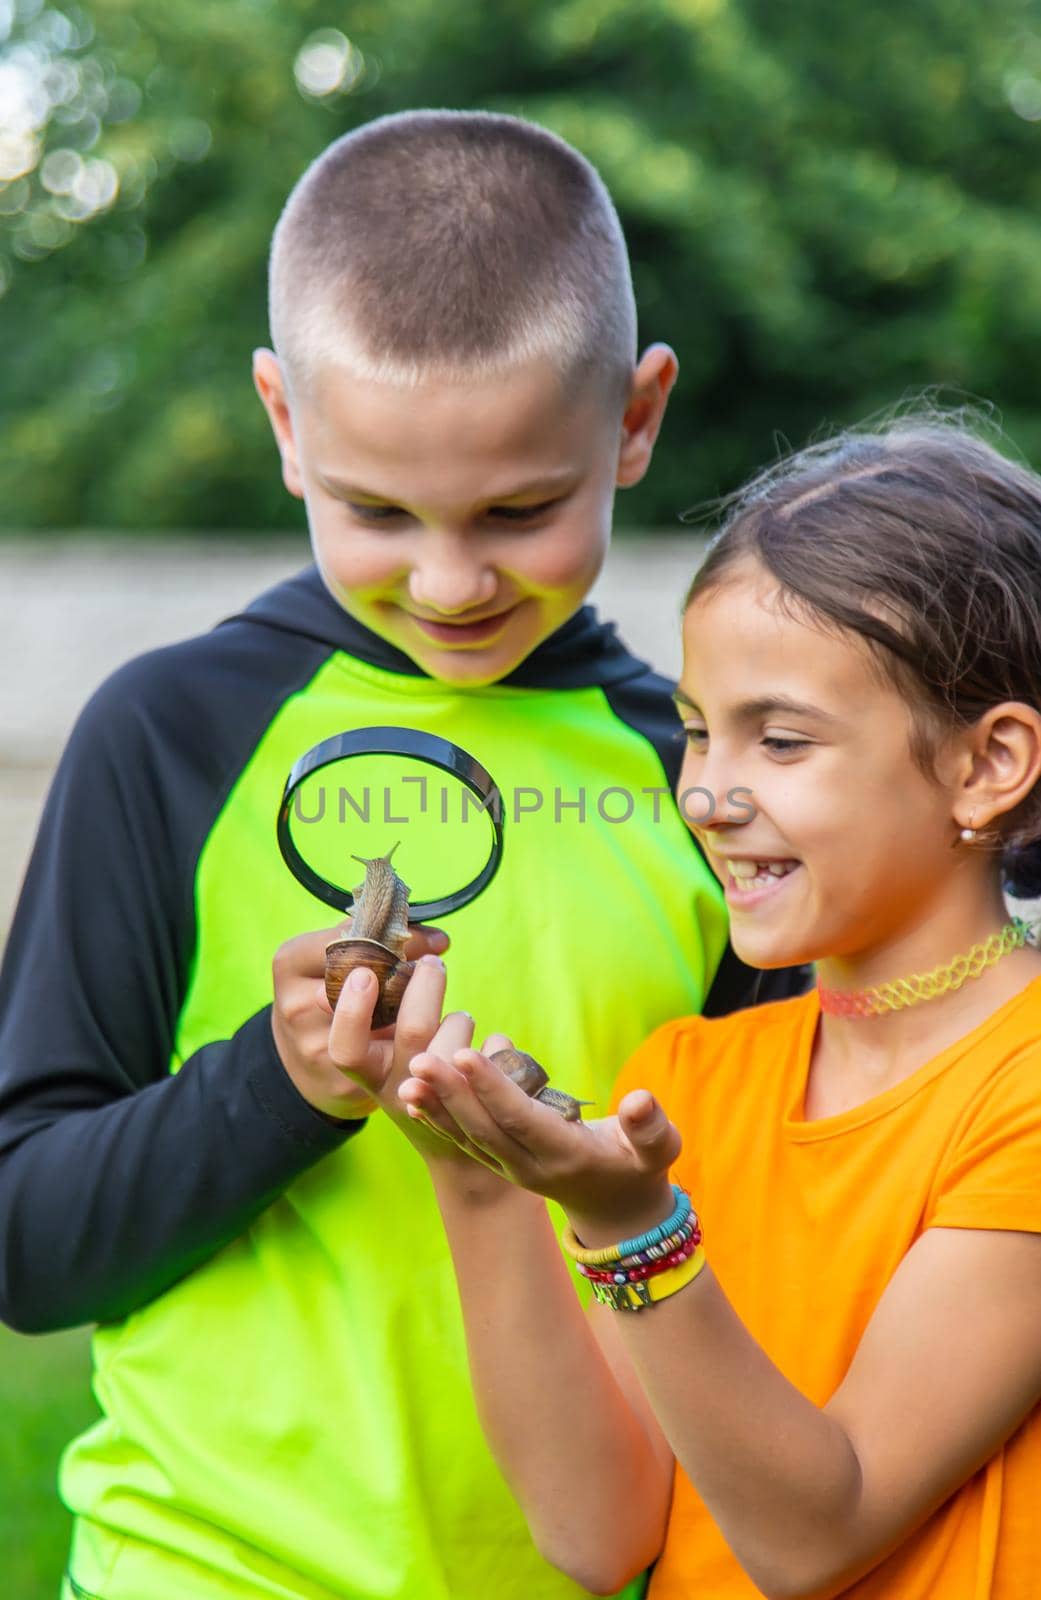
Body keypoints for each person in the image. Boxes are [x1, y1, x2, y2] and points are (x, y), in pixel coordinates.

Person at [0, 112, 804, 1600]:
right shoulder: (165, 736)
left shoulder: (711, 779)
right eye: (375, 511)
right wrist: (280, 1084)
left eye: (519, 511)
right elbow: (28, 1247)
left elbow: (789, 1245)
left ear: (634, 419)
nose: (447, 581)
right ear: (284, 420)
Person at [334, 417, 1041, 1599]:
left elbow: (818, 1530)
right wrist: (474, 1171)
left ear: (988, 762)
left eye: (781, 739)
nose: (708, 791)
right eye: (698, 729)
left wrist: (631, 1226)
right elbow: (604, 1531)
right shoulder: (693, 1076)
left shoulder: (1021, 1088)